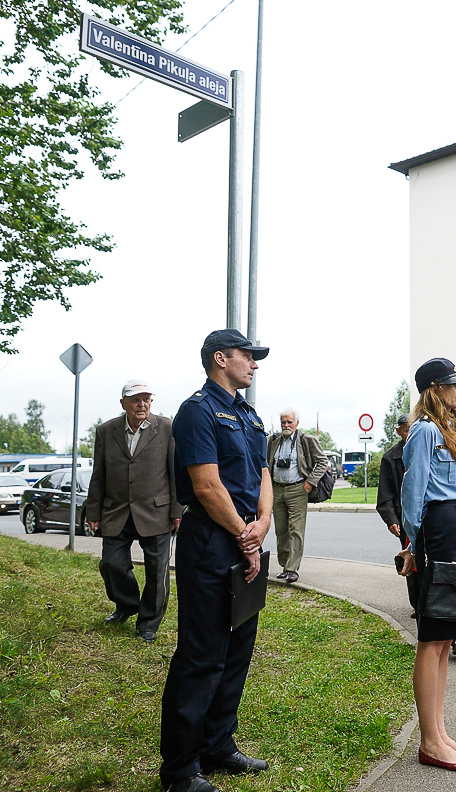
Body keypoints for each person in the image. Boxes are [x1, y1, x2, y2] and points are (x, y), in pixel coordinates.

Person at [159, 329, 273, 792]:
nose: (255, 363)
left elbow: (263, 473)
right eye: (249, 356)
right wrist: (244, 537)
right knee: (202, 655)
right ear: (220, 358)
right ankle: (181, 770)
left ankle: (218, 746)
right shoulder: (196, 412)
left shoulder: (248, 414)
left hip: (246, 534)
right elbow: (206, 486)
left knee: (237, 650)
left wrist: (263, 523)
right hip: (210, 540)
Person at [396, 357, 456, 773]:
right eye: (452, 384)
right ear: (434, 389)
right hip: (437, 532)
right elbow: (412, 496)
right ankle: (429, 741)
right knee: (432, 636)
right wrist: (413, 545)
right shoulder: (425, 432)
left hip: (454, 526)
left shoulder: (448, 429)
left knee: (447, 637)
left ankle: (440, 732)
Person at [86, 380, 182, 642]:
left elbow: (176, 472)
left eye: (146, 399)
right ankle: (127, 605)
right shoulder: (106, 431)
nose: (142, 404)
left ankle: (148, 623)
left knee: (157, 572)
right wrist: (93, 512)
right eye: (135, 399)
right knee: (111, 564)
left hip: (156, 512)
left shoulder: (167, 428)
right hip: (116, 511)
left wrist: (177, 510)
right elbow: (99, 474)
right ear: (123, 403)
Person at [266, 408, 329, 584]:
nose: (286, 425)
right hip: (277, 489)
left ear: (297, 423)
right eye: (283, 422)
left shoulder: (306, 440)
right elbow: (266, 463)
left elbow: (323, 461)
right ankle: (284, 565)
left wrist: (311, 481)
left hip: (298, 490)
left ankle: (292, 569)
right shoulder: (273, 440)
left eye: (289, 422)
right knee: (281, 531)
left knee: (296, 530)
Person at [376, 414, 417, 613]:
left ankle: (429, 603)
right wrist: (391, 519)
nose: (410, 433)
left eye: (413, 429)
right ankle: (417, 604)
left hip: (426, 514)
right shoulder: (390, 458)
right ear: (399, 431)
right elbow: (384, 496)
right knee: (410, 560)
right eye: (407, 429)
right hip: (404, 519)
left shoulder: (424, 451)